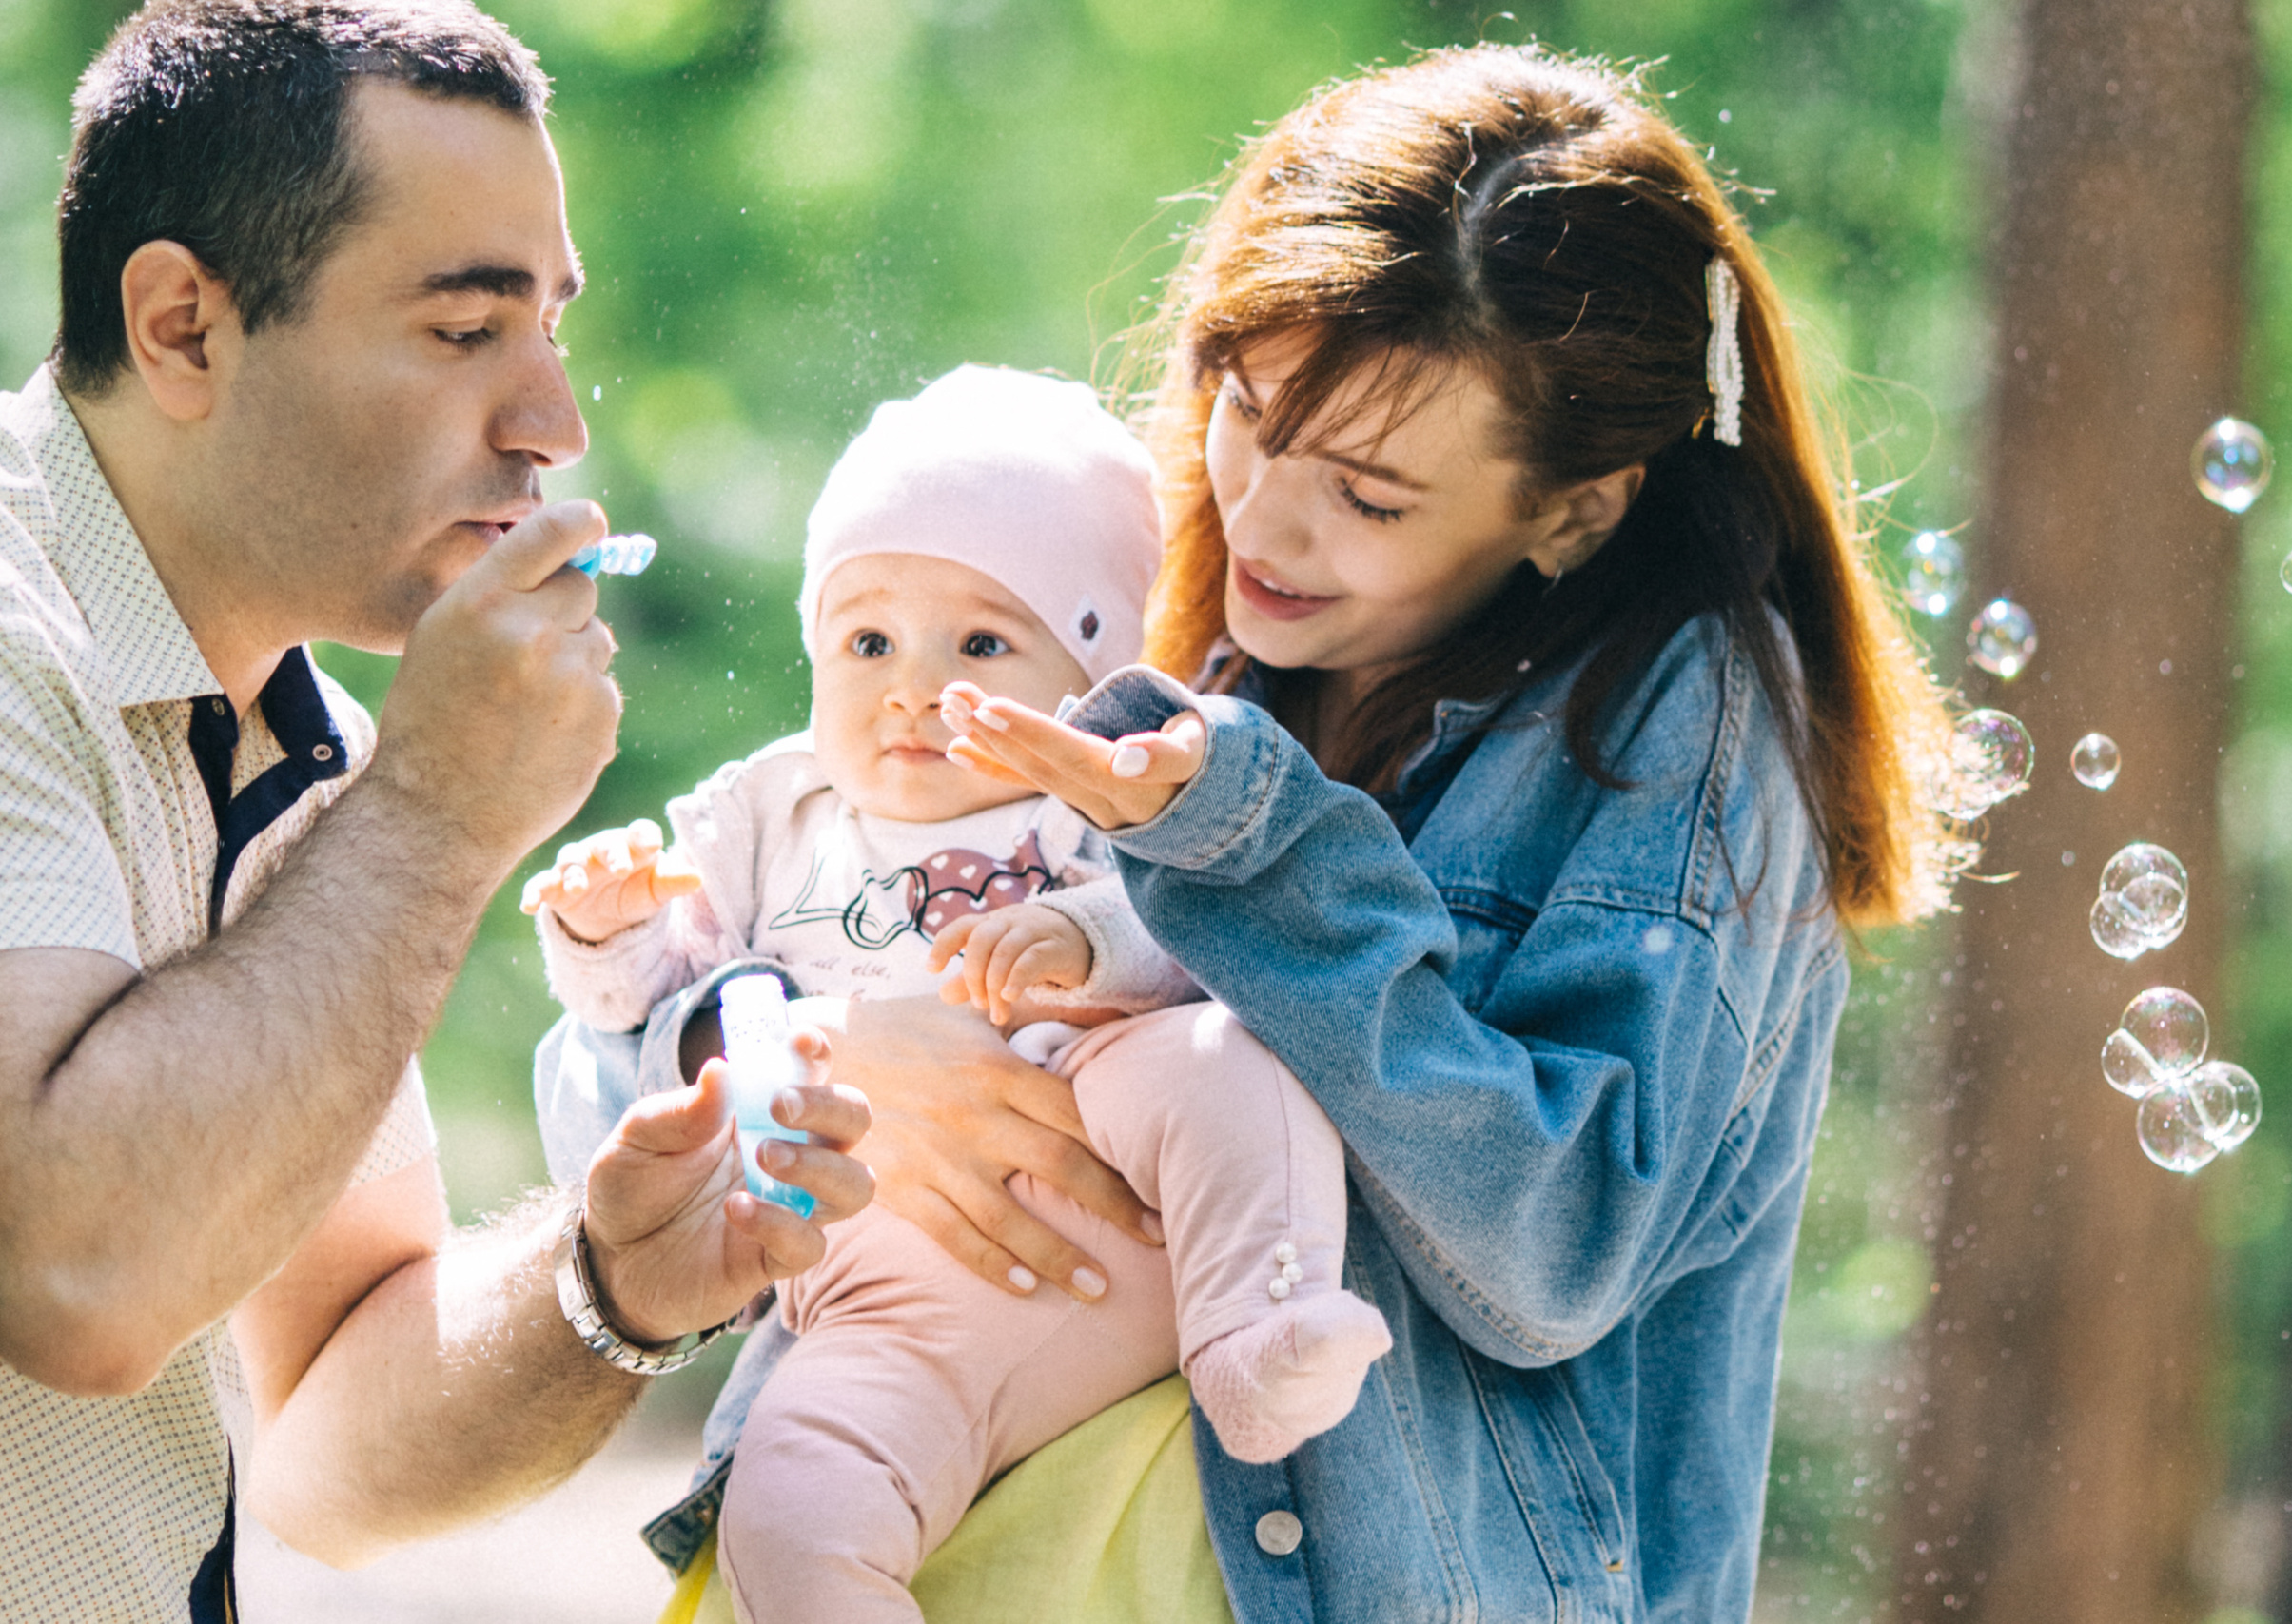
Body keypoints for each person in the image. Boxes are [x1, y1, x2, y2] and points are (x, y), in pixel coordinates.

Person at [550, 41, 1963, 1624]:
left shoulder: (1678, 723)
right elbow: (617, 1099)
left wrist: (1258, 852)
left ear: (1577, 507)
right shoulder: (1191, 655)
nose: (1268, 524)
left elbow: (1550, 1256)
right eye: (1247, 412)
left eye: (1367, 495)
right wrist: (806, 1044)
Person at [0, 5, 872, 1620]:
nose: (555, 425)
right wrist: (439, 814)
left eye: (551, 324)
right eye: (468, 331)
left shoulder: (306, 737)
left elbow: (329, 1442)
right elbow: (76, 1279)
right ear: (185, 326)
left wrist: (612, 1286)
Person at [524, 365, 1392, 1623]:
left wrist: (1092, 936)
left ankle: (1265, 1329)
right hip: (883, 1305)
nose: (912, 686)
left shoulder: (1105, 790)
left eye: (981, 642)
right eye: (867, 640)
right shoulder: (770, 820)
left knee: (1216, 1064)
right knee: (795, 1491)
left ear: (1087, 672)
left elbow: (1219, 938)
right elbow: (666, 1023)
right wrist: (608, 935)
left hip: (1129, 1201)